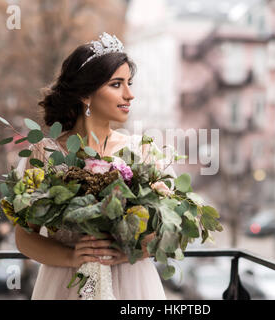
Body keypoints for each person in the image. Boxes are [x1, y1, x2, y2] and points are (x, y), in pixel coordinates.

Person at [14, 33, 175, 300]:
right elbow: (24, 238)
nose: (130, 94)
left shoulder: (143, 151)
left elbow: (168, 232)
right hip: (65, 283)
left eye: (129, 83)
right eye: (117, 84)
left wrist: (127, 252)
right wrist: (72, 256)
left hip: (132, 285)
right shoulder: (44, 154)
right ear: (86, 95)